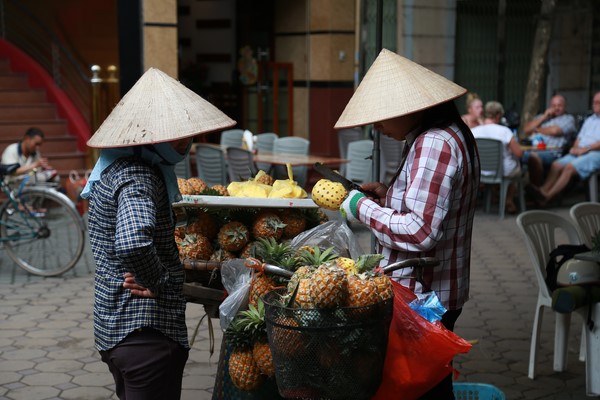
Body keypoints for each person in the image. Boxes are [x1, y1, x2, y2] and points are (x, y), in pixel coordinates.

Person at [80, 68, 235, 400]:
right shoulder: (139, 177)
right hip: (144, 334)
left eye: (185, 135)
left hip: (117, 329)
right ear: (150, 138)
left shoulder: (114, 167)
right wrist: (161, 281)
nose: (184, 143)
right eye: (174, 136)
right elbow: (133, 241)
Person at [335, 49, 480, 399]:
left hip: (424, 297)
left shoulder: (434, 143)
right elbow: (434, 208)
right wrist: (388, 195)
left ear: (410, 108)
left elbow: (420, 231)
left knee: (418, 389)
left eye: (381, 117)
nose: (377, 126)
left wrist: (359, 206)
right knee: (428, 384)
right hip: (436, 293)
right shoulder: (446, 134)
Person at [527, 91, 600, 206]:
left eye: (598, 102)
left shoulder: (568, 119)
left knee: (569, 167)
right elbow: (579, 138)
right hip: (581, 150)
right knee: (556, 165)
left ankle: (546, 198)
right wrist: (575, 148)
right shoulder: (590, 120)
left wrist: (586, 149)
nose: (595, 105)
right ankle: (542, 191)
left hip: (595, 152)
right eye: (594, 102)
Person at [472, 101, 524, 214]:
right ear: (498, 115)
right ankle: (509, 199)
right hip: (503, 171)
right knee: (516, 167)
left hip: (482, 171)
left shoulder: (473, 132)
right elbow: (519, 153)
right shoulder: (505, 131)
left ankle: (497, 197)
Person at [522, 94, 577, 186]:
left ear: (565, 106)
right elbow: (527, 129)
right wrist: (544, 117)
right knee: (514, 155)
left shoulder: (568, 119)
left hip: (552, 152)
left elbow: (555, 131)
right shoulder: (542, 117)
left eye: (559, 105)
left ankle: (537, 189)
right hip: (533, 148)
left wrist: (537, 129)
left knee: (533, 156)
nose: (556, 108)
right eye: (554, 106)